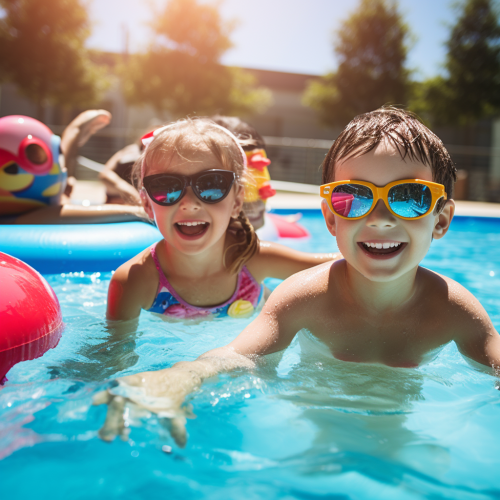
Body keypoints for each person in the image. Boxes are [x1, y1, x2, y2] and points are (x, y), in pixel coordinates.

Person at [96, 107, 500, 445]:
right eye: (354, 197)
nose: (380, 218)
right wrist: (180, 377)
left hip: (408, 438)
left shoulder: (454, 309)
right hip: (314, 434)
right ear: (329, 216)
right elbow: (241, 355)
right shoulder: (304, 297)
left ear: (441, 220)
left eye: (409, 197)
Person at [106, 117, 340, 321]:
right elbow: (114, 357)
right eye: (166, 187)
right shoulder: (135, 280)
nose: (189, 202)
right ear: (147, 204)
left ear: (237, 201)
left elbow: (341, 266)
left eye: (211, 186)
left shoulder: (251, 260)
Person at [0, 110, 147, 224]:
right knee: (62, 193)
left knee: (63, 187)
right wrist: (141, 211)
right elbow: (128, 212)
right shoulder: (34, 216)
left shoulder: (20, 214)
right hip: (49, 198)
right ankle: (74, 131)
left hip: (47, 195)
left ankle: (73, 132)